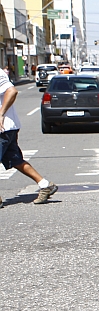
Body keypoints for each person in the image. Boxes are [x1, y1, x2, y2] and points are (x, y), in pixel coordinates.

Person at [0, 69, 58, 208]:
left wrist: (1, 114)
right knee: (16, 160)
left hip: (3, 128)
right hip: (8, 128)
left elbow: (12, 91)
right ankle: (45, 185)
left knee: (15, 160)